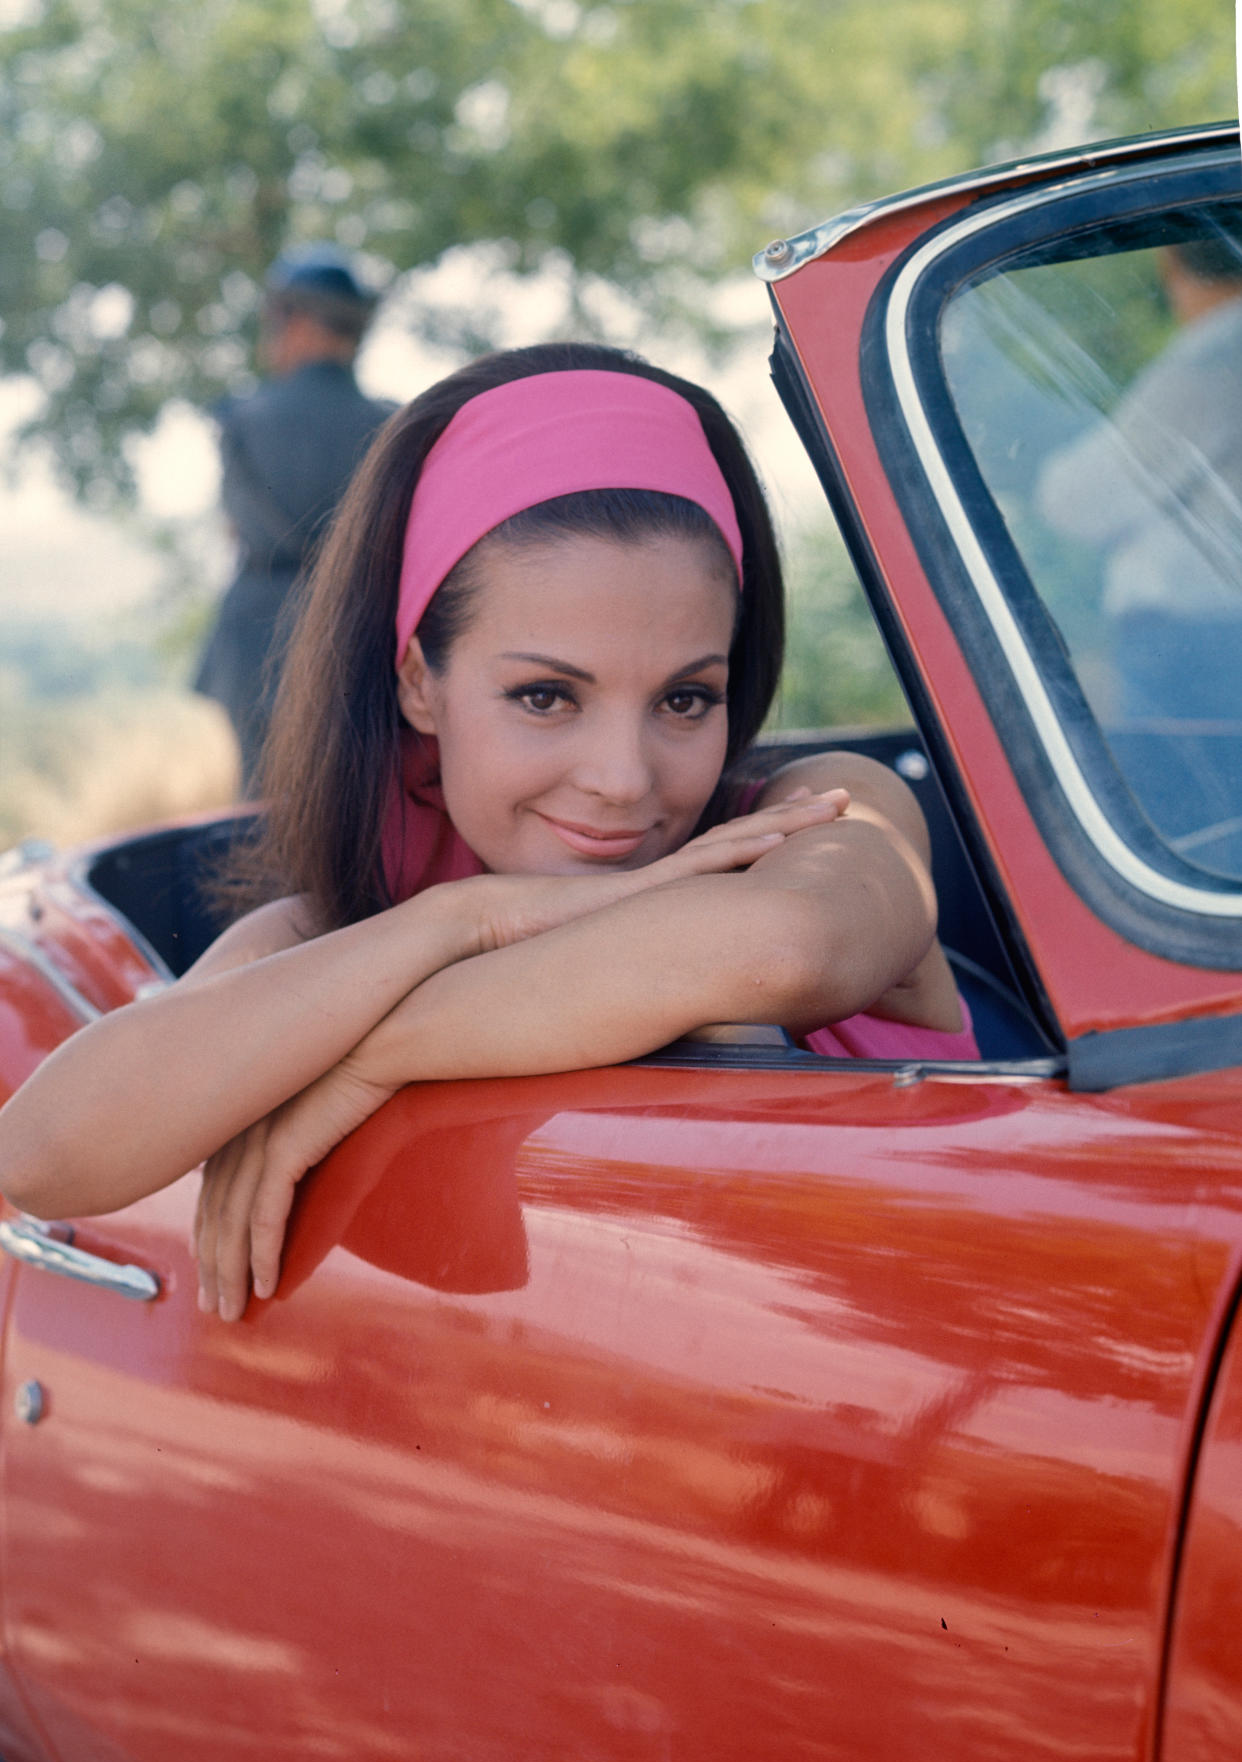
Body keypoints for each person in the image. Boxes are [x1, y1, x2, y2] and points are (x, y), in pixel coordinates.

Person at [0, 343, 976, 1323]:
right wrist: (463, 920)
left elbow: (782, 947)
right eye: (546, 696)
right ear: (420, 680)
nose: (622, 778)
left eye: (686, 698)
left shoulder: (819, 819)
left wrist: (378, 1054)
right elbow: (40, 1159)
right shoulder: (344, 934)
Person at [1037, 237, 1242, 861]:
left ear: (1170, 261)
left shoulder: (1218, 351)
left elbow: (1084, 501)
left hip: (1199, 650)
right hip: (1208, 647)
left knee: (1204, 847)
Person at [194, 242, 393, 786]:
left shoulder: (242, 419)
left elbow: (236, 527)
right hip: (360, 631)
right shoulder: (395, 426)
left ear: (296, 321)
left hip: (258, 630)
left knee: (262, 808)